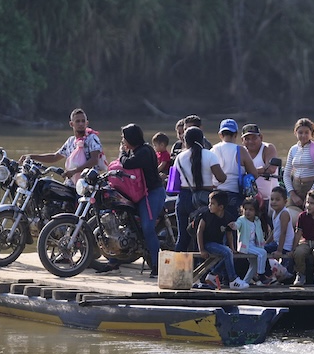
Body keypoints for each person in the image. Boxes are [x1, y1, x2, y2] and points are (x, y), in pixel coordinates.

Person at [116, 123, 167, 278]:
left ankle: (158, 266)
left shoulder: (144, 151)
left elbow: (128, 163)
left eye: (124, 138)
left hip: (152, 193)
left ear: (132, 138)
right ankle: (114, 259)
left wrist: (121, 153)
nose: (123, 141)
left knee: (147, 228)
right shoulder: (137, 150)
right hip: (140, 193)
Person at [20, 108, 105, 185]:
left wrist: (74, 171)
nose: (81, 124)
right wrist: (30, 156)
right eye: (78, 121)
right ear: (71, 124)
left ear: (87, 123)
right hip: (71, 182)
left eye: (83, 121)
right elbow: (54, 157)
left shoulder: (92, 138)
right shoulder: (70, 142)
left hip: (87, 184)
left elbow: (94, 160)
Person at [174, 127, 226, 252]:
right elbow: (221, 178)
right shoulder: (210, 156)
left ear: (185, 141)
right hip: (203, 200)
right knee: (201, 237)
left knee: (183, 238)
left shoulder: (179, 157)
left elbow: (175, 182)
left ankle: (176, 269)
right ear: (202, 140)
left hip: (183, 198)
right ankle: (200, 270)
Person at [196, 190, 249, 289]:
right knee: (227, 252)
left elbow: (229, 234)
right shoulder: (206, 215)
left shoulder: (227, 217)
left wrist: (232, 248)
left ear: (220, 207)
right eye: (209, 203)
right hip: (207, 243)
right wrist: (202, 249)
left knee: (229, 253)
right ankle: (233, 279)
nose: (209, 206)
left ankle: (213, 274)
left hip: (218, 244)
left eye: (212, 204)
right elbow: (199, 232)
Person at [211, 119, 258, 217]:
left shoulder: (212, 150)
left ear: (220, 135)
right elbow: (254, 174)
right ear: (236, 134)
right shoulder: (241, 150)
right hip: (234, 195)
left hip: (215, 196)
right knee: (234, 227)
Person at [227, 197, 271, 285]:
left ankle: (245, 283)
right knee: (263, 253)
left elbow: (259, 233)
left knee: (254, 265)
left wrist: (261, 243)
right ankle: (261, 274)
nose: (247, 212)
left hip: (254, 245)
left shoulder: (257, 221)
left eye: (251, 210)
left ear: (255, 211)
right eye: (245, 209)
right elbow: (237, 225)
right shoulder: (241, 220)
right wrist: (233, 225)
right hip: (246, 246)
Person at [283, 118, 314, 210]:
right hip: (296, 189)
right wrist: (292, 194)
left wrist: (310, 196)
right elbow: (286, 175)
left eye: (306, 132)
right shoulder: (293, 149)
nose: (303, 135)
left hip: (312, 188)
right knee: (290, 216)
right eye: (300, 132)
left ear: (311, 133)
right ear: (296, 133)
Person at [240, 123, 279, 211]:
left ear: (261, 137)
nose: (250, 141)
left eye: (254, 138)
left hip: (269, 200)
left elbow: (271, 168)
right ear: (242, 140)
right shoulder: (241, 152)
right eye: (247, 139)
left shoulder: (268, 148)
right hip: (249, 201)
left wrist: (251, 171)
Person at [265, 186, 295, 277]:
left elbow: (283, 232)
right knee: (261, 250)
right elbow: (275, 230)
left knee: (262, 251)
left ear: (285, 202)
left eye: (277, 200)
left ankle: (268, 274)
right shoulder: (275, 212)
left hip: (285, 246)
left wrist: (279, 251)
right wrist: (266, 242)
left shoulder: (284, 213)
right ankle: (268, 273)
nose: (274, 202)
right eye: (272, 199)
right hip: (277, 243)